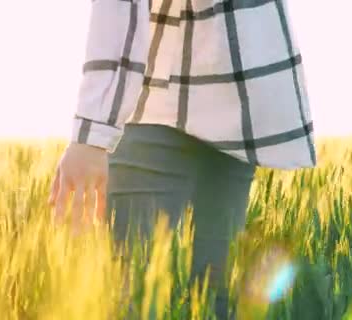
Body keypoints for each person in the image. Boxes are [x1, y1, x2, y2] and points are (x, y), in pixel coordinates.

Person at [48, 0, 317, 319]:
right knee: (213, 301)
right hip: (241, 100)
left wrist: (92, 132)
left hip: (161, 106)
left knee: (134, 297)